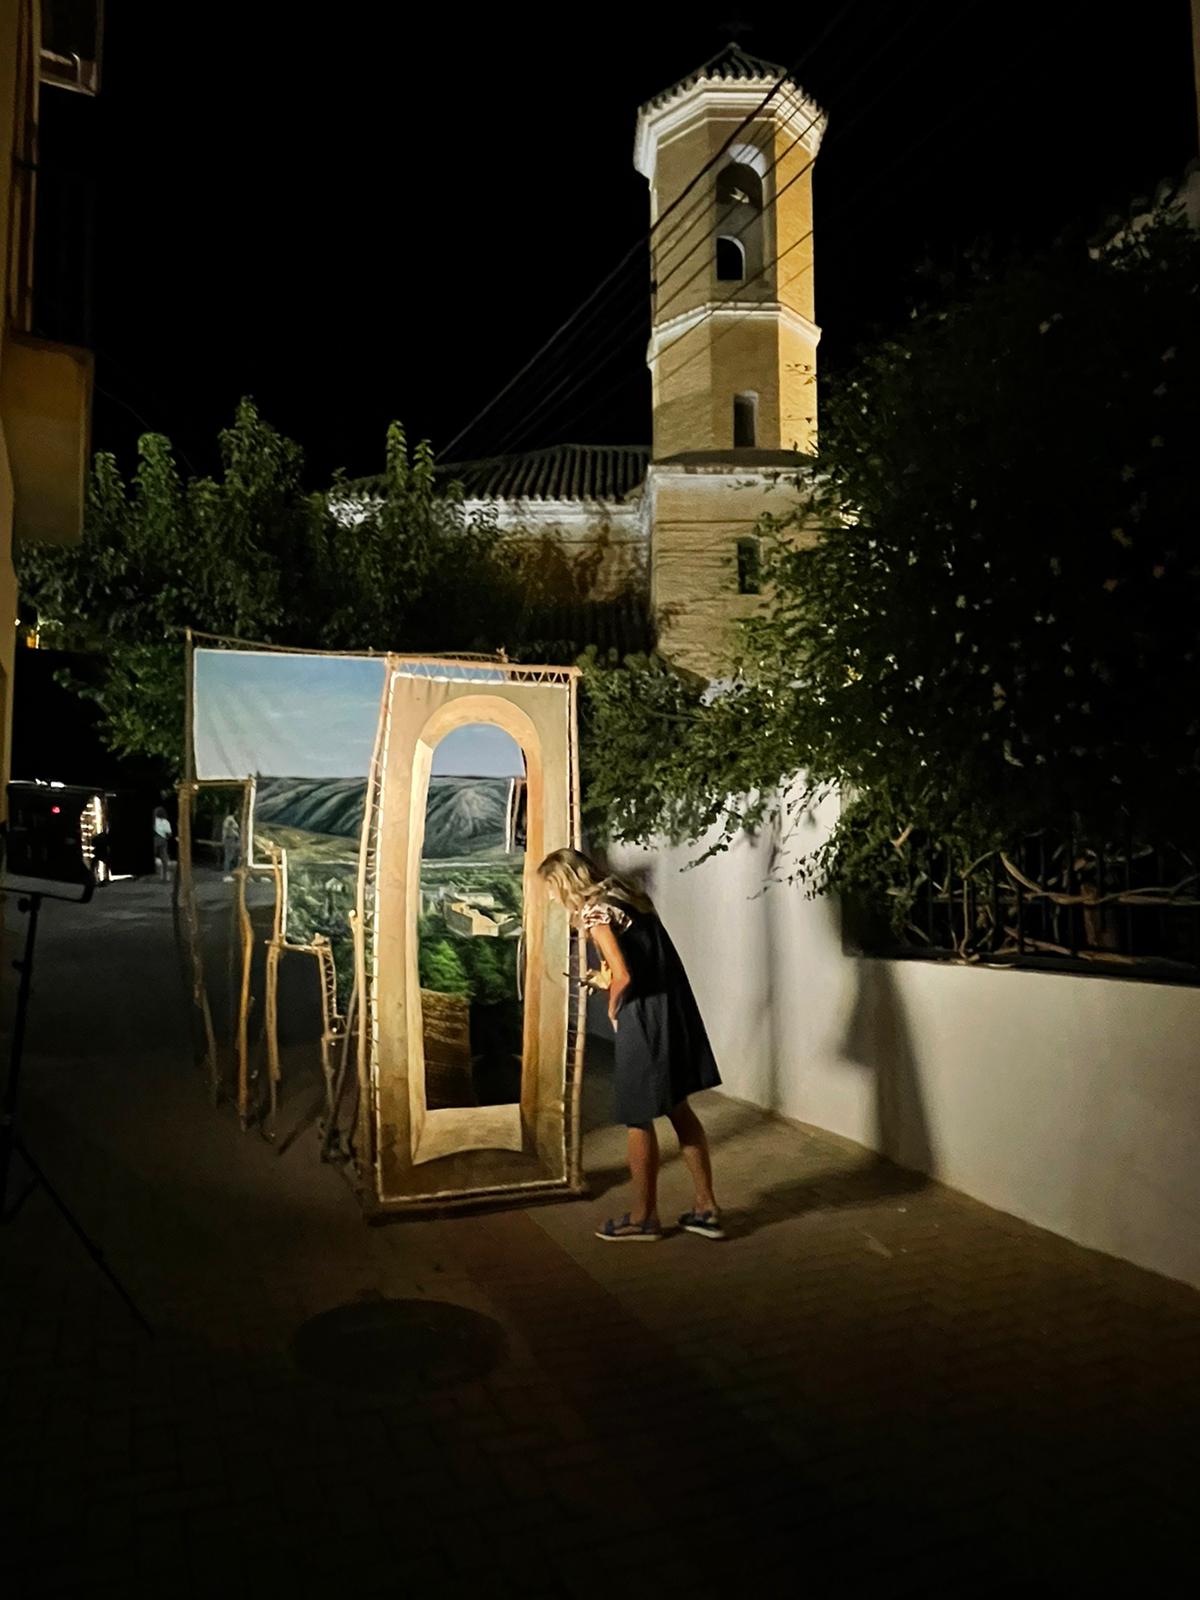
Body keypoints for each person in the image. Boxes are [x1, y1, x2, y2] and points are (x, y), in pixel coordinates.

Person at [538, 847, 723, 1242]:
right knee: (678, 1108)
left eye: (551, 889)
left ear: (565, 884)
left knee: (638, 1117)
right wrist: (609, 979)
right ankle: (706, 1207)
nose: (551, 898)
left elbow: (623, 974)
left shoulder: (595, 913)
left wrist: (613, 1005)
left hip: (642, 1019)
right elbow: (640, 961)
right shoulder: (628, 897)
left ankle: (643, 1218)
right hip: (671, 1011)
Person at [152, 806, 173, 881]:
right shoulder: (165, 822)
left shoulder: (154, 821)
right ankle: (164, 876)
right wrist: (166, 837)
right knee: (164, 858)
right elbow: (169, 833)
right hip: (163, 840)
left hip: (154, 838)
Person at [221, 812, 241, 881]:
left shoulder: (235, 820)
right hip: (229, 839)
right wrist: (235, 833)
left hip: (234, 839)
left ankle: (233, 874)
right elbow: (228, 828)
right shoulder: (230, 819)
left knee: (234, 857)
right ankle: (226, 875)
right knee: (228, 857)